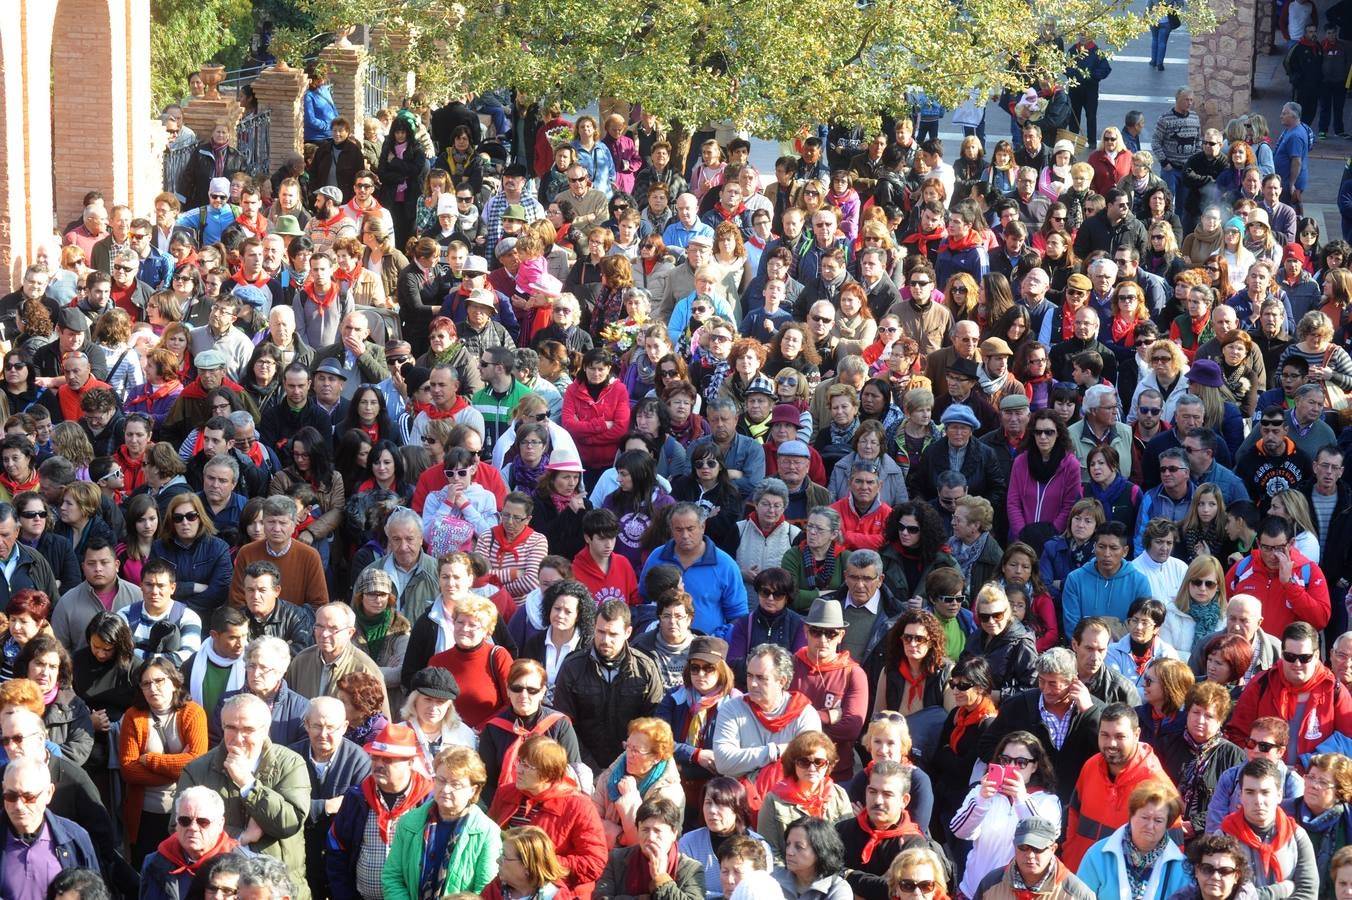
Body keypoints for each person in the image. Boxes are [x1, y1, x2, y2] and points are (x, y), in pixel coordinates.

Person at [176, 693, 311, 900]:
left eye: (248, 730)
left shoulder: (290, 764)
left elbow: (290, 822)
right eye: (230, 728)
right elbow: (179, 828)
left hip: (276, 889)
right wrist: (240, 838)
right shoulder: (197, 769)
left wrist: (248, 784)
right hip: (220, 890)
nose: (238, 738)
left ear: (265, 730)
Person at [487, 735, 609, 896]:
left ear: (549, 773)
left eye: (528, 766)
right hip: (506, 884)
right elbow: (488, 839)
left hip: (556, 891)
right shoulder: (506, 793)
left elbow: (594, 863)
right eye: (520, 762)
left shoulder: (578, 807)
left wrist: (538, 862)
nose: (519, 770)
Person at [325, 721, 434, 900]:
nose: (378, 764)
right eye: (375, 757)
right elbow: (337, 848)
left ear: (410, 762)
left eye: (388, 759)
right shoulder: (357, 797)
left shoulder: (428, 801)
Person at [553, 600, 664, 773]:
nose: (605, 640)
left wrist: (629, 765)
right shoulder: (572, 667)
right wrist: (591, 771)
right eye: (601, 632)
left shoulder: (645, 668)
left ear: (628, 632)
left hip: (632, 767)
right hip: (581, 768)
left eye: (613, 634)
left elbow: (655, 724)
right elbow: (563, 726)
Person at [118, 655, 209, 865]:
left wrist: (149, 760)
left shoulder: (193, 713)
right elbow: (128, 770)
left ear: (174, 682)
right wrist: (177, 768)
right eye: (146, 683)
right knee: (145, 871)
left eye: (159, 681)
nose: (153, 688)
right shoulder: (133, 716)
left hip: (183, 813)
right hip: (144, 815)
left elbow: (197, 764)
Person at [951, 729, 1062, 899]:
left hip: (1015, 894)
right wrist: (981, 801)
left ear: (1034, 766)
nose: (1011, 767)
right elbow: (960, 830)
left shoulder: (1048, 801)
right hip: (974, 889)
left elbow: (1046, 839)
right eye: (1005, 760)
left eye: (1021, 762)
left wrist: (1021, 799)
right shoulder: (981, 791)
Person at [1060, 703, 1173, 870]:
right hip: (1081, 875)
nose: (1111, 743)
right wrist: (1070, 857)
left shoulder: (1156, 784)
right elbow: (1074, 814)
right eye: (1104, 735)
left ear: (1136, 735)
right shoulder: (1091, 766)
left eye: (1120, 737)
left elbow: (1171, 852)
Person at [288, 696, 370, 900]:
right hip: (296, 852)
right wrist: (326, 806)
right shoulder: (290, 757)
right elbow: (285, 809)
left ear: (344, 727)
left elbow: (356, 814)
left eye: (331, 727)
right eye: (316, 726)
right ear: (306, 724)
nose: (323, 734)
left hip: (340, 858)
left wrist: (306, 807)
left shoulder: (359, 761)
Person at [1218, 758, 1318, 900]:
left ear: (1279, 795)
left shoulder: (1297, 836)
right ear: (1240, 795)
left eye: (1265, 792)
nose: (1258, 800)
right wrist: (1282, 889)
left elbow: (1308, 892)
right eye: (1250, 792)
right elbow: (1221, 893)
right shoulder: (1223, 837)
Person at [1076, 779, 1190, 900]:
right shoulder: (1097, 855)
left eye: (1158, 820)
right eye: (1145, 817)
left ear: (1168, 824)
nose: (1150, 826)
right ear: (1131, 815)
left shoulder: (1181, 868)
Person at [0, 757, 100, 892]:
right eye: (11, 796)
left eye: (29, 797)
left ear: (48, 793)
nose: (18, 806)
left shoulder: (75, 839)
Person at [137, 787, 240, 900]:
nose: (193, 828)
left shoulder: (243, 867)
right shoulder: (154, 862)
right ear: (176, 823)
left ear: (220, 824)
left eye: (203, 822)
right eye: (185, 820)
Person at [970, 815, 1094, 900]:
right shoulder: (990, 883)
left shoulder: (1077, 894)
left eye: (1037, 848)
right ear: (1014, 846)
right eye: (1023, 847)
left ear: (1053, 849)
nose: (1030, 855)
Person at [1062, 522, 1154, 634]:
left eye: (1113, 548)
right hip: (1085, 649)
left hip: (1125, 650)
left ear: (1125, 551)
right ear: (1094, 548)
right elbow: (1072, 627)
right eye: (1102, 547)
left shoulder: (1140, 582)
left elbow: (1141, 627)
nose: (1107, 554)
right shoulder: (1075, 579)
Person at [770, 815, 852, 900]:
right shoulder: (772, 877)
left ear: (820, 851)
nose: (789, 852)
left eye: (799, 847)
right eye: (788, 844)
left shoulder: (837, 889)